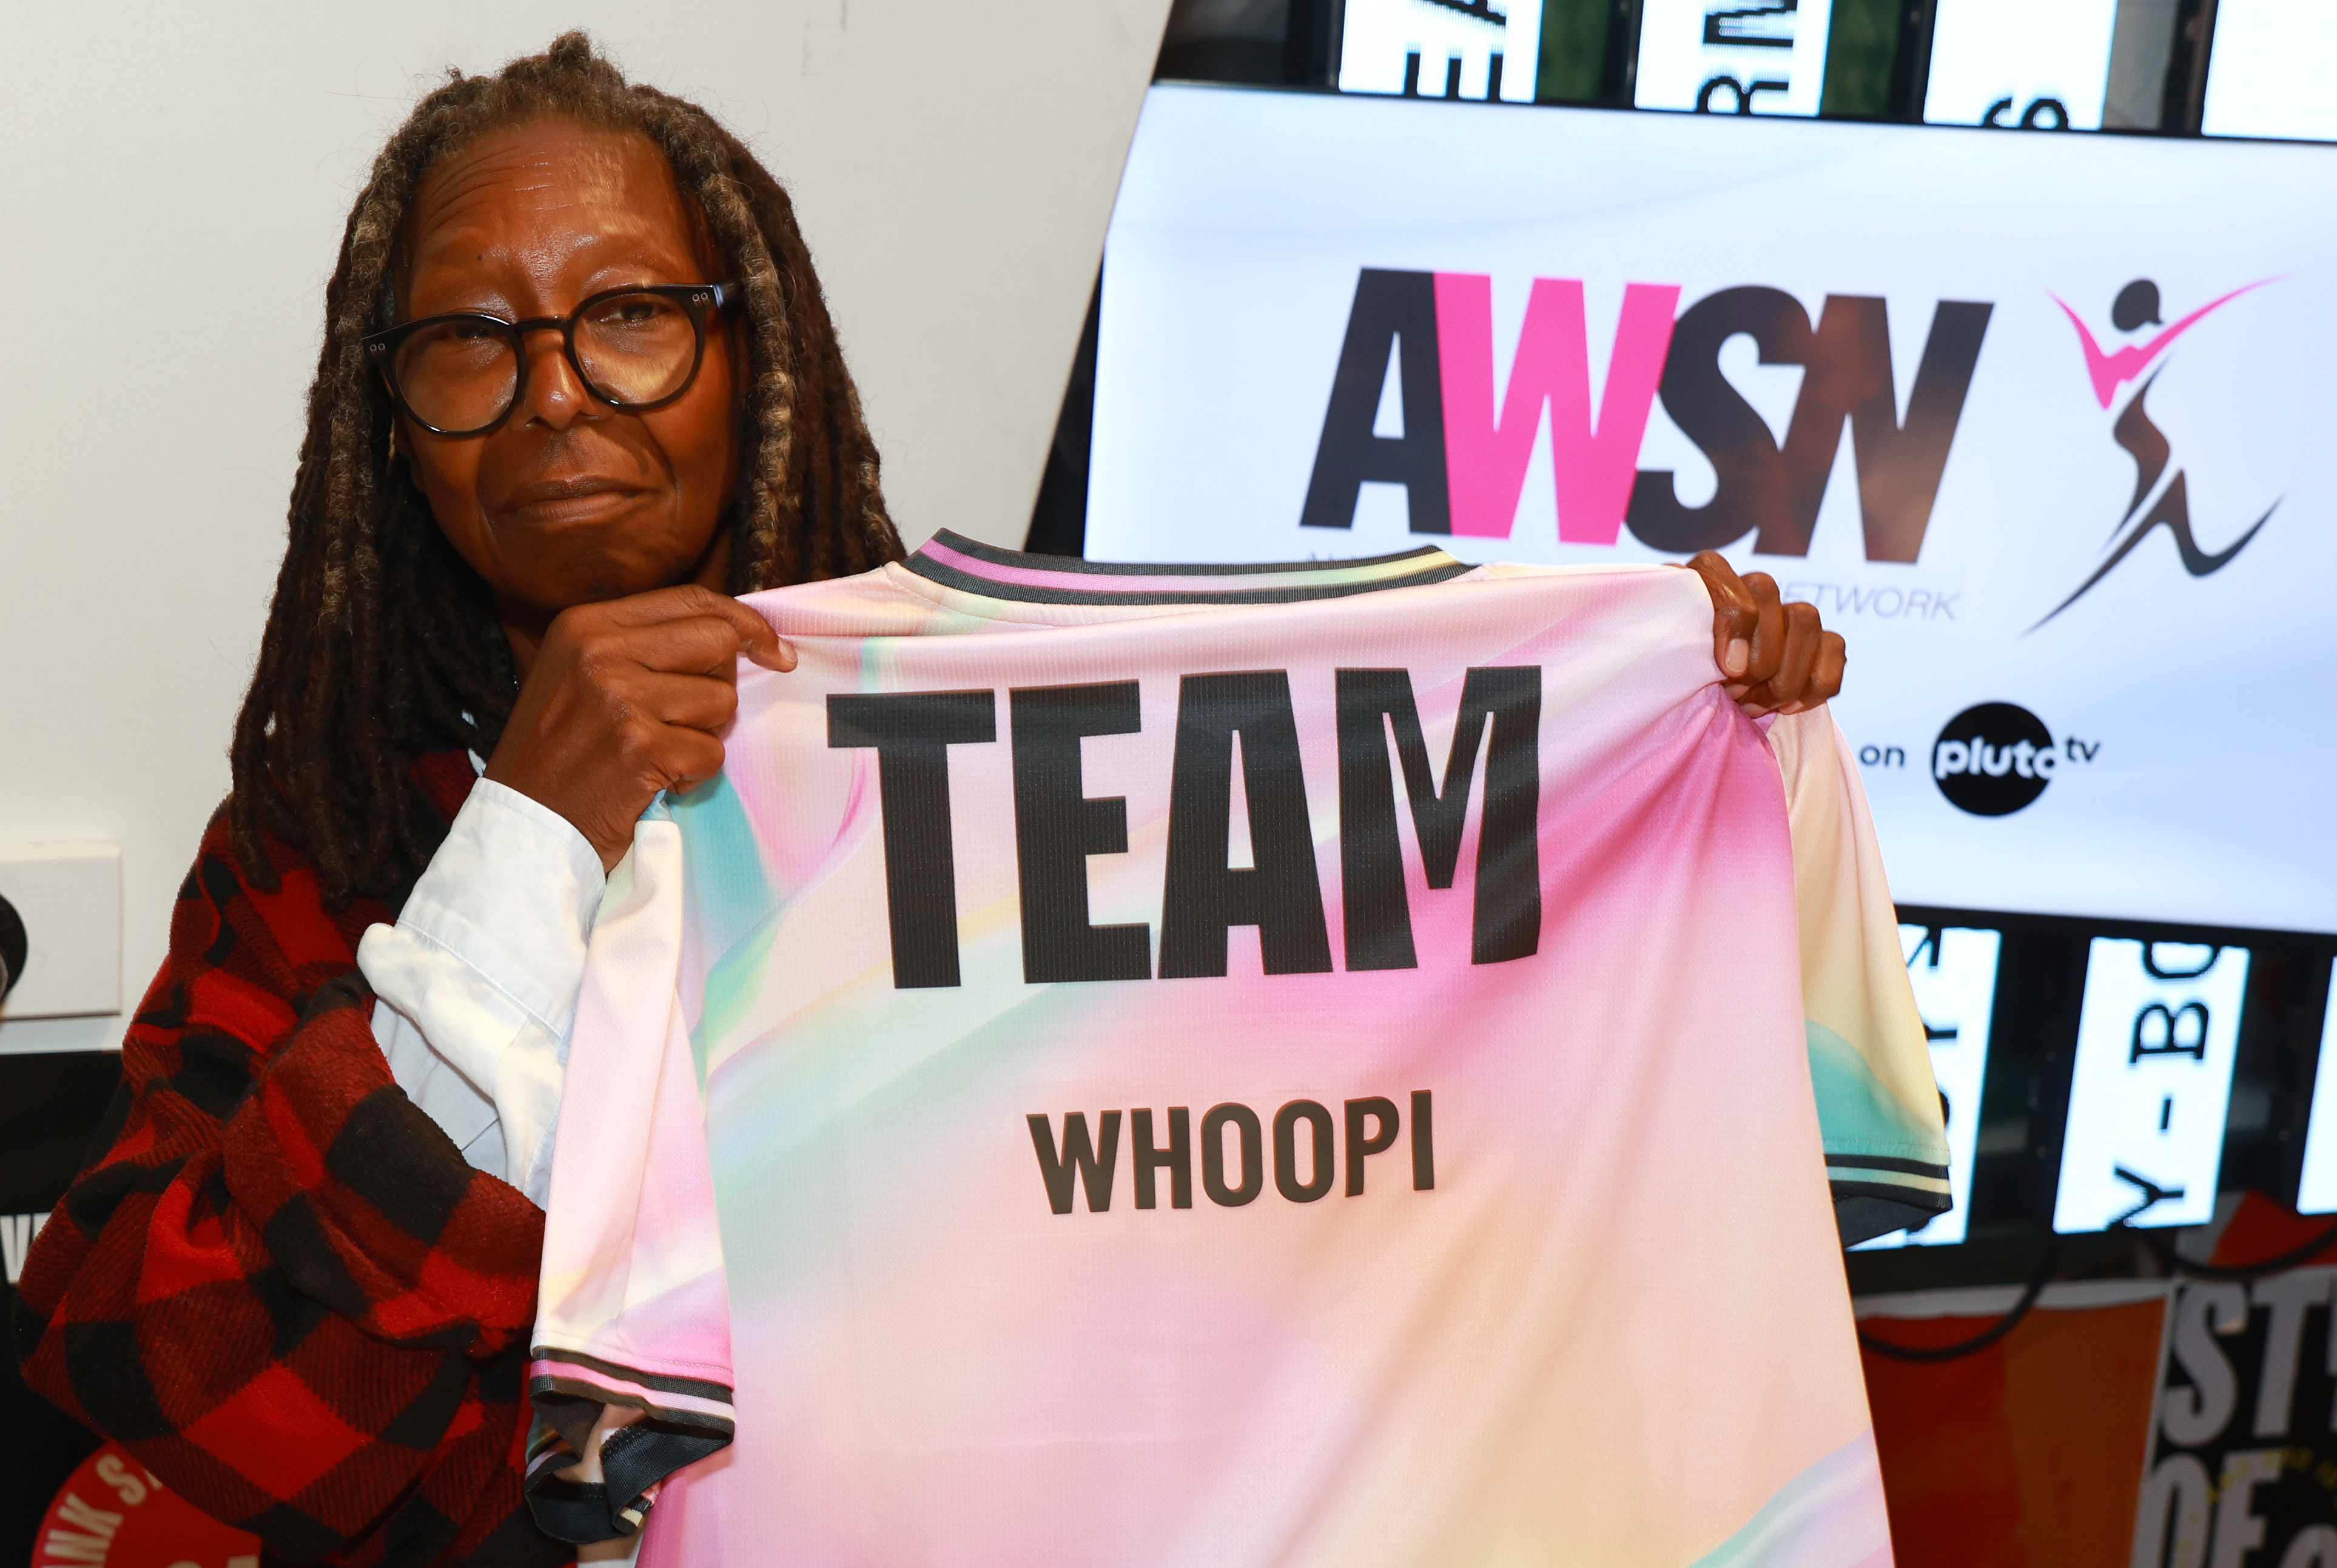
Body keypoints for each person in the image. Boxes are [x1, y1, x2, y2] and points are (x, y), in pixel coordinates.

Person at [12, 33, 1844, 1568]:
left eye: (632, 313)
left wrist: (1657, 724)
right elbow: (165, 1401)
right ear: (395, 435)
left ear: (754, 352)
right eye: (469, 343)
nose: (555, 395)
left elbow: (1330, 1154)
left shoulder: (1010, 764)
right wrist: (522, 857)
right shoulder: (324, 840)